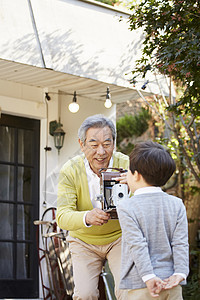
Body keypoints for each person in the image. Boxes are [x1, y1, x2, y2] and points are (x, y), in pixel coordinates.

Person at [56, 114, 129, 300]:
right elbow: (62, 216)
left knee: (128, 290)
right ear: (82, 144)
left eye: (107, 144)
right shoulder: (70, 170)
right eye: (94, 145)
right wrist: (86, 217)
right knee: (86, 294)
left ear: (114, 142)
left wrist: (133, 186)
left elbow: (145, 200)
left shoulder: (127, 165)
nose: (101, 152)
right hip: (83, 241)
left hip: (120, 237)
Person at [117, 141, 189, 300]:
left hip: (142, 286)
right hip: (172, 283)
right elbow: (180, 243)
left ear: (136, 175)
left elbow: (137, 244)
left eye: (128, 170)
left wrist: (149, 277)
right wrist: (180, 273)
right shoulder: (177, 204)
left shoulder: (126, 206)